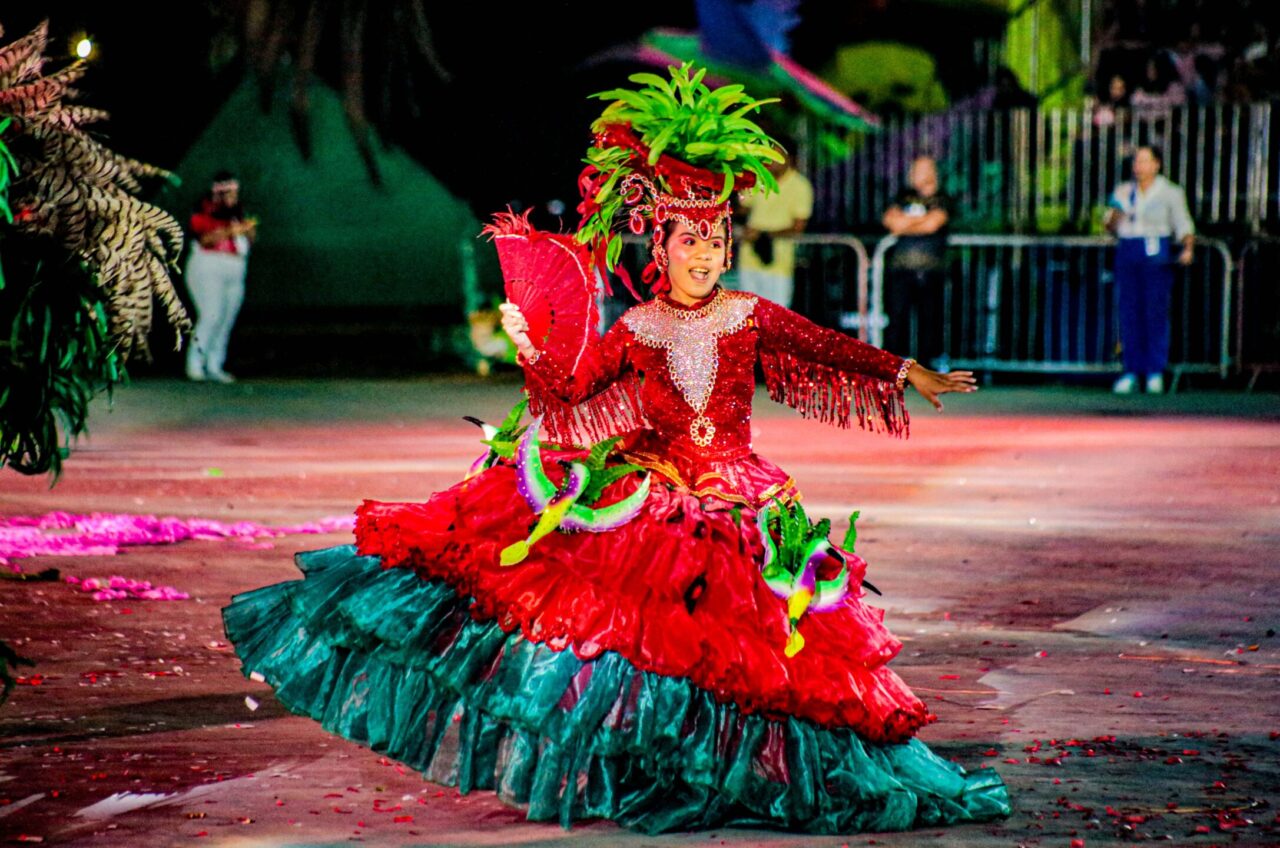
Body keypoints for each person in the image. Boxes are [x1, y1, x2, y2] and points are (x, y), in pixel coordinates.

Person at [222, 66, 1009, 835]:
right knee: (650, 647)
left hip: (742, 505)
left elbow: (827, 347)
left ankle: (742, 770)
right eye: (690, 240)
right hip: (658, 500)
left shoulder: (749, 314)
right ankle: (660, 767)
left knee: (750, 659)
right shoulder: (636, 328)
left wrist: (906, 372)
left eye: (716, 239)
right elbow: (567, 397)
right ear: (660, 246)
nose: (706, 253)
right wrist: (530, 345)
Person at [1105, 145, 1195, 394]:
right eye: (1136, 161)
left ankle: (1155, 370)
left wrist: (1187, 247)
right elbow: (1110, 225)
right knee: (1129, 312)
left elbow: (1183, 222)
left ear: (1156, 164)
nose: (1139, 166)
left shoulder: (1170, 192)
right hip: (1128, 249)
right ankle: (1131, 370)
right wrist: (1117, 212)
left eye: (1144, 161)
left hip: (1155, 251)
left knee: (1155, 312)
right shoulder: (1124, 190)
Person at [881, 156, 954, 371]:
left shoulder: (942, 199)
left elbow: (933, 224)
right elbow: (891, 222)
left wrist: (906, 223)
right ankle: (892, 367)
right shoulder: (902, 196)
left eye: (919, 170)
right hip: (902, 268)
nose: (913, 174)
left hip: (931, 269)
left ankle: (927, 367)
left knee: (929, 321)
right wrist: (918, 222)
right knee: (897, 319)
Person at [184, 171, 255, 383]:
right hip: (208, 265)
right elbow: (204, 239)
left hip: (235, 267)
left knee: (226, 319)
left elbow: (249, 239)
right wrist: (232, 231)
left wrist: (247, 231)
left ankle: (215, 364)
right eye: (230, 194)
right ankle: (195, 363)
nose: (234, 198)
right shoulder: (203, 211)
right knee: (211, 315)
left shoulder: (238, 213)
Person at [733, 145, 813, 307]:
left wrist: (762, 234)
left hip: (779, 263)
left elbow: (798, 227)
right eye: (767, 156)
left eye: (775, 157)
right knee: (747, 314)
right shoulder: (759, 180)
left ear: (789, 158)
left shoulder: (800, 185)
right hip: (749, 259)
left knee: (776, 315)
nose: (769, 161)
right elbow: (742, 209)